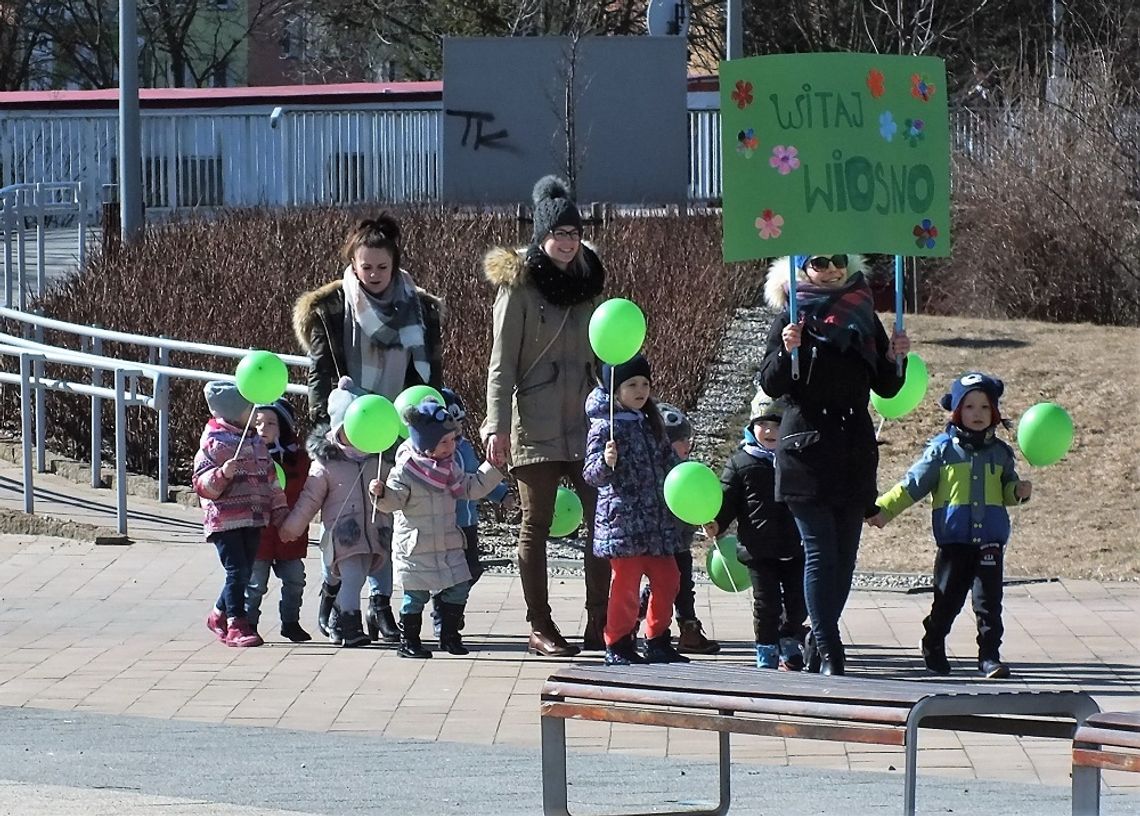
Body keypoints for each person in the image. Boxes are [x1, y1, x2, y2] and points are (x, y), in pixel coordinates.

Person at [292, 214, 443, 644]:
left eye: (382, 266)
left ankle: (380, 605)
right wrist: (326, 426)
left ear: (395, 265)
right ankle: (334, 591)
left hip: (397, 425)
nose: (374, 274)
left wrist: (425, 421)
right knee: (345, 519)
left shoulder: (420, 308)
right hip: (349, 425)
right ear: (353, 265)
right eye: (366, 267)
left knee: (389, 518)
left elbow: (429, 373)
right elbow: (320, 374)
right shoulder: (332, 308)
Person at [757, 253, 910, 676]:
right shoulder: (792, 314)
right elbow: (771, 382)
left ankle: (814, 637)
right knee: (821, 553)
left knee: (845, 558)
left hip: (853, 452)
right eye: (818, 262)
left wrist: (898, 358)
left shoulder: (862, 313)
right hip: (806, 450)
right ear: (803, 268)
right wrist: (788, 347)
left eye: (837, 261)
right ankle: (829, 649)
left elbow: (887, 386)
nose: (830, 270)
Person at [482, 175, 611, 657]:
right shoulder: (519, 287)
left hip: (585, 420)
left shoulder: (591, 283)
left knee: (603, 519)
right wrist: (495, 424)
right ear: (541, 236)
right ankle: (541, 625)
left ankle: (601, 619)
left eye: (573, 234)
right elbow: (502, 364)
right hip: (533, 420)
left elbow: (606, 352)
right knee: (535, 524)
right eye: (557, 234)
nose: (566, 242)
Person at [868, 372, 1031, 679]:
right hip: (954, 543)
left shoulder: (1000, 453)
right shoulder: (942, 451)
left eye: (985, 407)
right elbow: (912, 485)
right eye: (969, 407)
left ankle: (989, 657)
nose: (978, 414)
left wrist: (1017, 491)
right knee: (948, 601)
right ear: (956, 411)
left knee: (989, 605)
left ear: (994, 412)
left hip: (990, 543)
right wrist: (883, 509)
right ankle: (933, 640)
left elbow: (1008, 490)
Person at [370, 399, 505, 659]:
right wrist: (381, 493)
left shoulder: (450, 467)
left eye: (453, 440)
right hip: (416, 546)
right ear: (426, 445)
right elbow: (393, 501)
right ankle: (409, 641)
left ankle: (450, 635)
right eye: (444, 442)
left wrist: (492, 468)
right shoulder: (405, 471)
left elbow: (470, 487)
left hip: (447, 542)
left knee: (459, 586)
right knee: (415, 596)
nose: (451, 447)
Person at [582, 354, 689, 666]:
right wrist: (606, 461)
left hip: (656, 522)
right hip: (623, 524)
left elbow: (670, 465)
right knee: (626, 588)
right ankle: (617, 642)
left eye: (645, 384)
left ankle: (657, 638)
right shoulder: (605, 427)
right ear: (615, 391)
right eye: (632, 385)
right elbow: (591, 474)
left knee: (669, 579)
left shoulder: (650, 421)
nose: (641, 390)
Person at [278, 377, 389, 648]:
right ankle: (350, 625)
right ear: (341, 428)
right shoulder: (326, 463)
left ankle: (339, 614)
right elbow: (309, 499)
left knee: (362, 577)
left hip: (376, 533)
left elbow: (398, 490)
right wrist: (292, 527)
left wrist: (386, 492)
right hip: (344, 536)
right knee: (351, 578)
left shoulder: (378, 458)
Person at [704, 389, 805, 670]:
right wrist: (718, 523)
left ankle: (788, 637)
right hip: (758, 549)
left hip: (795, 547)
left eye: (776, 425)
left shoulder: (796, 457)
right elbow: (727, 500)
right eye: (763, 425)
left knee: (799, 602)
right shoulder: (741, 463)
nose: (770, 431)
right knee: (766, 604)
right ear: (752, 426)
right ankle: (766, 649)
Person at [193, 381, 287, 648]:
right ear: (235, 412)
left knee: (245, 571)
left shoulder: (255, 442)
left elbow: (271, 479)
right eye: (249, 409)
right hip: (226, 520)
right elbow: (201, 485)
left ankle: (217, 615)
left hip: (254, 517)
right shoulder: (213, 443)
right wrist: (222, 474)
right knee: (237, 570)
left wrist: (279, 510)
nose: (254, 415)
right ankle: (236, 623)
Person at [635, 403, 720, 654]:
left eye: (687, 440)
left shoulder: (688, 472)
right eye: (681, 440)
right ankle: (638, 620)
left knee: (683, 586)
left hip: (680, 542)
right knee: (663, 585)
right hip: (659, 543)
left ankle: (689, 630)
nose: (687, 446)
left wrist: (707, 518)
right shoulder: (654, 474)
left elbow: (699, 503)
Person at [430, 387, 514, 638]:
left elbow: (476, 478)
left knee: (471, 570)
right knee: (449, 573)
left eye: (460, 424)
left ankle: (452, 606)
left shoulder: (464, 447)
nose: (457, 432)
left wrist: (501, 494)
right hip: (447, 521)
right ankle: (442, 613)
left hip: (469, 521)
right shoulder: (431, 452)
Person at [245, 399, 312, 643]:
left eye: (271, 423)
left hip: (289, 532)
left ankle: (290, 622)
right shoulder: (244, 455)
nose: (264, 428)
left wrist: (296, 523)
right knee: (255, 585)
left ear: (283, 427)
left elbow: (308, 492)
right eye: (258, 422)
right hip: (257, 534)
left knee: (295, 580)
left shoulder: (298, 459)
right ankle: (249, 624)